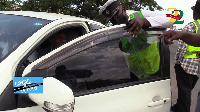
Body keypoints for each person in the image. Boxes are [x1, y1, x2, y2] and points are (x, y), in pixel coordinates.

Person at [99, 0, 172, 80]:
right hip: (136, 76)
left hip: (155, 71)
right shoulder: (115, 30)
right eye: (111, 18)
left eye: (116, 14)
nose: (115, 19)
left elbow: (172, 19)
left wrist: (145, 21)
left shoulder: (141, 15)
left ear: (123, 8)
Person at [159, 1, 200, 112]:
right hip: (197, 67)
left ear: (195, 13)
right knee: (187, 90)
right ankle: (178, 107)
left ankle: (183, 109)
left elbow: (182, 47)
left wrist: (177, 62)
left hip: (186, 65)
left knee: (185, 91)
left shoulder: (192, 26)